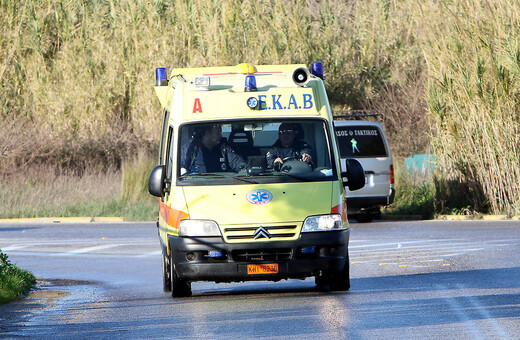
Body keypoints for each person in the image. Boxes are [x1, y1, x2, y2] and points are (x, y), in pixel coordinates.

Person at [180, 124, 246, 174]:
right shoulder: (189, 149)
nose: (221, 136)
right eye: (218, 133)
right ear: (207, 134)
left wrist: (245, 170)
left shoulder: (224, 148)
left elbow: (238, 163)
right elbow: (177, 169)